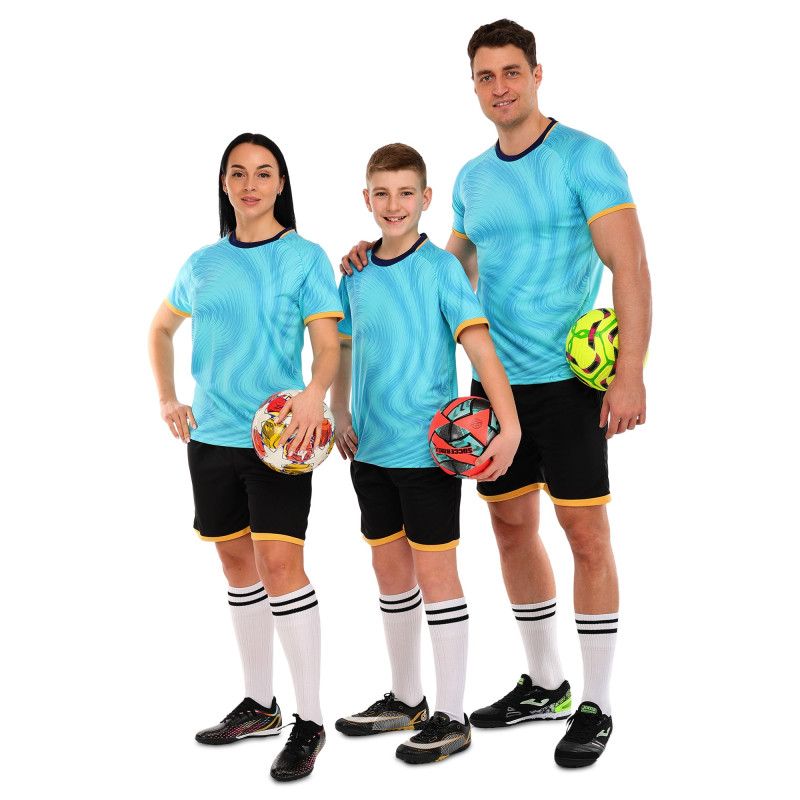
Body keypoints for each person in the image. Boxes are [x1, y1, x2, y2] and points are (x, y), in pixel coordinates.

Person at [341, 19, 651, 768]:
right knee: (512, 528)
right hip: (493, 390)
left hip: (570, 386)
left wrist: (631, 371)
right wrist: (375, 256)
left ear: (537, 74)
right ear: (474, 86)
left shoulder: (584, 156)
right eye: (486, 76)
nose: (500, 87)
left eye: (512, 72)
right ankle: (546, 683)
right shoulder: (473, 178)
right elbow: (445, 269)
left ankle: (598, 702)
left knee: (586, 535)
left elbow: (631, 265)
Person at [147, 132, 342, 782]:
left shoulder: (304, 257)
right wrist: (169, 398)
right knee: (237, 565)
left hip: (279, 443)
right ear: (225, 184)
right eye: (239, 173)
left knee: (282, 566)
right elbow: (160, 328)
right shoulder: (202, 263)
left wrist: (315, 394)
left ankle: (310, 719)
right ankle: (260, 705)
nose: (251, 184)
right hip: (210, 440)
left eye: (263, 172)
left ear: (281, 183)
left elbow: (328, 344)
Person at [330, 143, 520, 765]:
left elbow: (479, 346)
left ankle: (452, 715)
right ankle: (407, 699)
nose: (394, 205)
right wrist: (338, 412)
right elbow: (343, 347)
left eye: (406, 193)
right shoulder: (355, 272)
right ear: (366, 199)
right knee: (390, 573)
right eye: (382, 193)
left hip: (428, 454)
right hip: (370, 451)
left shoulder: (441, 269)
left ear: (426, 198)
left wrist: (509, 426)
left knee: (437, 577)